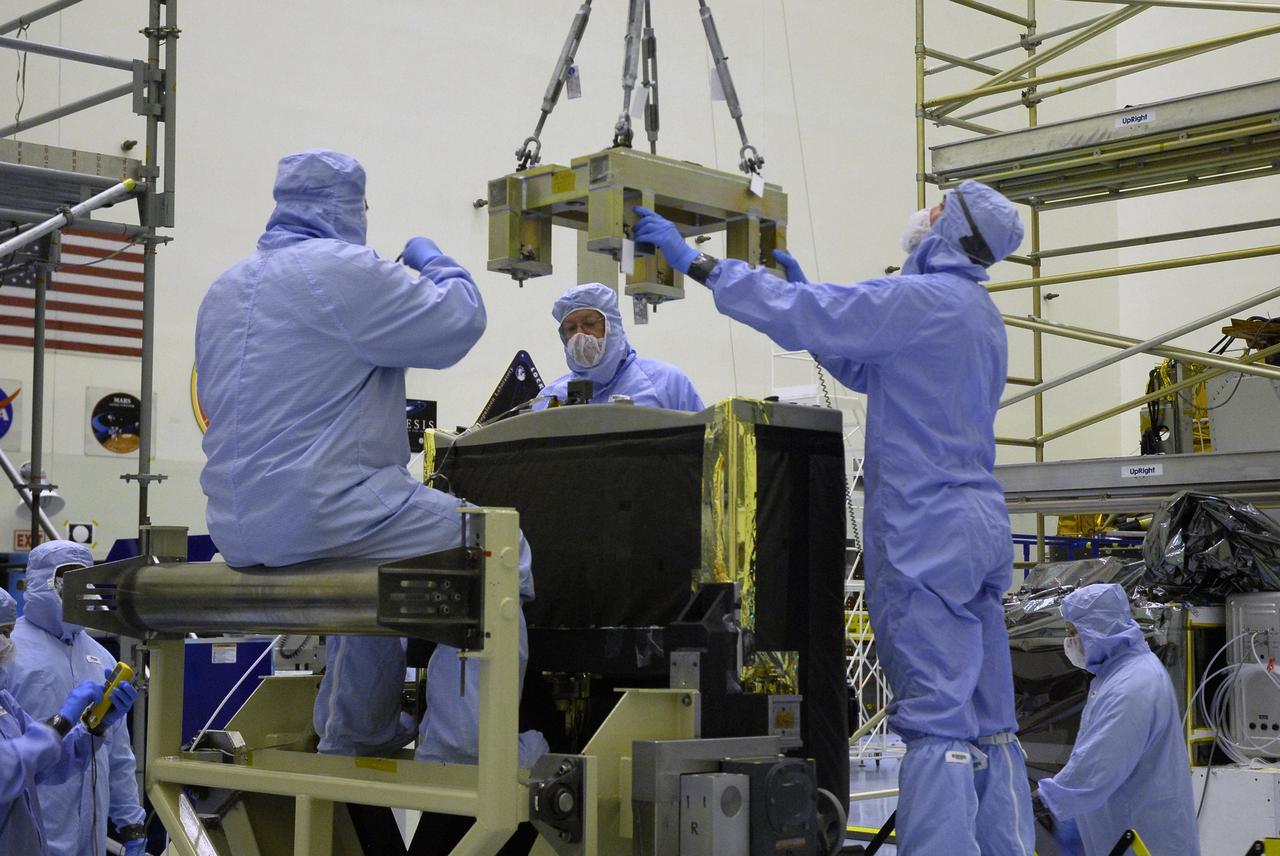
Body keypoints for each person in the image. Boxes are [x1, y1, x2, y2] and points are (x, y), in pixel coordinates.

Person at [633, 180, 1034, 855]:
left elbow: (803, 313)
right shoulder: (977, 315)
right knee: (989, 718)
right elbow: (871, 366)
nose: (924, 214)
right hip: (979, 529)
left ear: (948, 228)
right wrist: (817, 311)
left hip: (925, 533)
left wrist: (697, 263)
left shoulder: (918, 300)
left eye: (937, 208)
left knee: (936, 723)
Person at [195, 149, 544, 770]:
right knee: (496, 551)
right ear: (349, 207)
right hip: (329, 505)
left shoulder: (225, 287)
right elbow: (457, 324)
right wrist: (436, 263)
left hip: (237, 526)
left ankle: (355, 732)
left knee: (372, 576)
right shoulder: (340, 271)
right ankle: (465, 748)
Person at [1037, 584, 1200, 856]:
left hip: (1142, 838)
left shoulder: (1133, 683)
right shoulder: (1113, 675)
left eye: (1073, 632)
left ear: (1098, 629)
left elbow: (1100, 762)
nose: (1069, 642)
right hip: (1119, 832)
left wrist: (1045, 799)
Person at [10, 542, 146, 856]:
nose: (75, 590)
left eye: (84, 580)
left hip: (91, 832)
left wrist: (130, 822)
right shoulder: (9, 651)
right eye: (66, 578)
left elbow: (118, 752)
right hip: (29, 827)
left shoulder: (101, 657)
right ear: (42, 579)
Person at [533, 282, 703, 411]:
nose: (580, 335)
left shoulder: (667, 383)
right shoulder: (550, 399)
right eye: (570, 328)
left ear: (612, 326)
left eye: (589, 323)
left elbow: (706, 444)